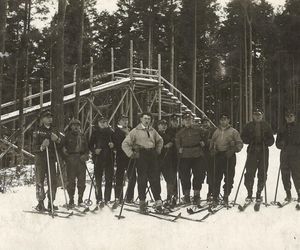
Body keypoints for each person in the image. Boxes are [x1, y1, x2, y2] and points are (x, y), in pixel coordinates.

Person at [122, 112, 164, 212]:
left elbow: (160, 140)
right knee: (142, 179)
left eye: (149, 119)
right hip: (141, 156)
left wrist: (158, 150)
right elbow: (125, 144)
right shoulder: (135, 131)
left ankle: (158, 202)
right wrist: (131, 154)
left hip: (152, 155)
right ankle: (142, 202)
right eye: (145, 118)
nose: (147, 120)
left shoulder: (153, 130)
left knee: (155, 178)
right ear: (141, 119)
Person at [241, 108, 274, 202]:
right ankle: (249, 193)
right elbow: (243, 137)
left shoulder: (266, 125)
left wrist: (266, 141)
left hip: (263, 151)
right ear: (253, 115)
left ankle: (259, 192)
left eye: (259, 114)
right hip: (252, 150)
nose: (257, 116)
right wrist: (250, 139)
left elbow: (271, 140)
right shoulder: (248, 125)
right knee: (249, 173)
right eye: (256, 114)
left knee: (262, 173)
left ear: (262, 115)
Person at [209, 113, 243, 204]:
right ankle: (215, 197)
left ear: (228, 121)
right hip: (218, 156)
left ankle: (226, 195)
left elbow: (240, 144)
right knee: (216, 177)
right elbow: (212, 142)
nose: (223, 121)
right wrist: (212, 150)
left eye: (225, 119)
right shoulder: (216, 131)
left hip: (229, 156)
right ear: (220, 121)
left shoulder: (233, 131)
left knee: (229, 177)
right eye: (222, 119)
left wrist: (233, 150)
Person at [175, 113, 206, 205]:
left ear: (192, 121)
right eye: (186, 120)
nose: (188, 121)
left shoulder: (199, 130)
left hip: (197, 155)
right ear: (183, 121)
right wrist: (178, 148)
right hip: (185, 156)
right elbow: (177, 142)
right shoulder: (180, 132)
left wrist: (203, 142)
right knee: (185, 176)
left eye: (189, 119)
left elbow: (205, 137)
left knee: (198, 175)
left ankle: (196, 195)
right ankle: (187, 196)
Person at [32, 110, 61, 211]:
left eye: (51, 117)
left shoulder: (54, 130)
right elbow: (33, 148)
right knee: (40, 181)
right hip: (40, 159)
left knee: (52, 181)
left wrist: (57, 140)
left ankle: (51, 202)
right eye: (47, 117)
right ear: (42, 119)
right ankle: (40, 203)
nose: (50, 119)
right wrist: (42, 146)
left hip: (51, 158)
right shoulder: (37, 131)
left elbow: (60, 145)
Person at [62, 119, 89, 207]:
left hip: (81, 160)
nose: (76, 127)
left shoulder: (82, 136)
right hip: (71, 160)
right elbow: (62, 149)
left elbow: (87, 149)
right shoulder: (67, 136)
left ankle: (80, 199)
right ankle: (71, 200)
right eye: (74, 125)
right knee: (71, 181)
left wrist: (86, 155)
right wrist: (66, 156)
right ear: (70, 126)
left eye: (78, 125)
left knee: (82, 181)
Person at [89, 116, 114, 205]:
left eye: (105, 122)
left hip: (109, 158)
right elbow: (90, 145)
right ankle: (99, 198)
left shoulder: (111, 132)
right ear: (98, 123)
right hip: (98, 158)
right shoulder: (95, 133)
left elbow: (117, 144)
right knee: (98, 179)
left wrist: (113, 146)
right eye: (101, 122)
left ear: (107, 123)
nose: (103, 124)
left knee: (109, 179)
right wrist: (94, 151)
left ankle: (107, 198)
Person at [276, 109, 300, 202]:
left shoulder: (298, 128)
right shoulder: (281, 129)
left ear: (294, 117)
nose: (289, 118)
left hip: (296, 155)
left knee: (297, 175)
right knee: (285, 175)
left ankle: (299, 193)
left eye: (291, 116)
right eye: (287, 116)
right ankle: (288, 194)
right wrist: (280, 144)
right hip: (285, 155)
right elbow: (277, 143)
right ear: (285, 118)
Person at [112, 115, 136, 205]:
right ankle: (119, 197)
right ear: (119, 122)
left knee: (133, 178)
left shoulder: (132, 130)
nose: (125, 122)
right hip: (121, 157)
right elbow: (117, 144)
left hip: (131, 157)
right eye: (123, 120)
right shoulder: (116, 131)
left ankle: (129, 197)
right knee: (119, 177)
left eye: (126, 120)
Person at [157, 119, 177, 207]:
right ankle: (157, 198)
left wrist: (172, 143)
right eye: (161, 124)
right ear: (158, 126)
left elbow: (174, 142)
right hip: (157, 161)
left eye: (165, 124)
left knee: (170, 179)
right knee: (156, 180)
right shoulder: (155, 134)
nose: (164, 126)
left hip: (168, 161)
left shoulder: (169, 134)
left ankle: (170, 197)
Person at [201, 117, 216, 200]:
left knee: (211, 174)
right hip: (201, 155)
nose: (205, 124)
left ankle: (211, 192)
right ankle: (197, 194)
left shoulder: (214, 130)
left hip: (211, 155)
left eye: (207, 122)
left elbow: (215, 140)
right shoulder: (200, 131)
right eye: (204, 123)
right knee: (200, 175)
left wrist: (207, 142)